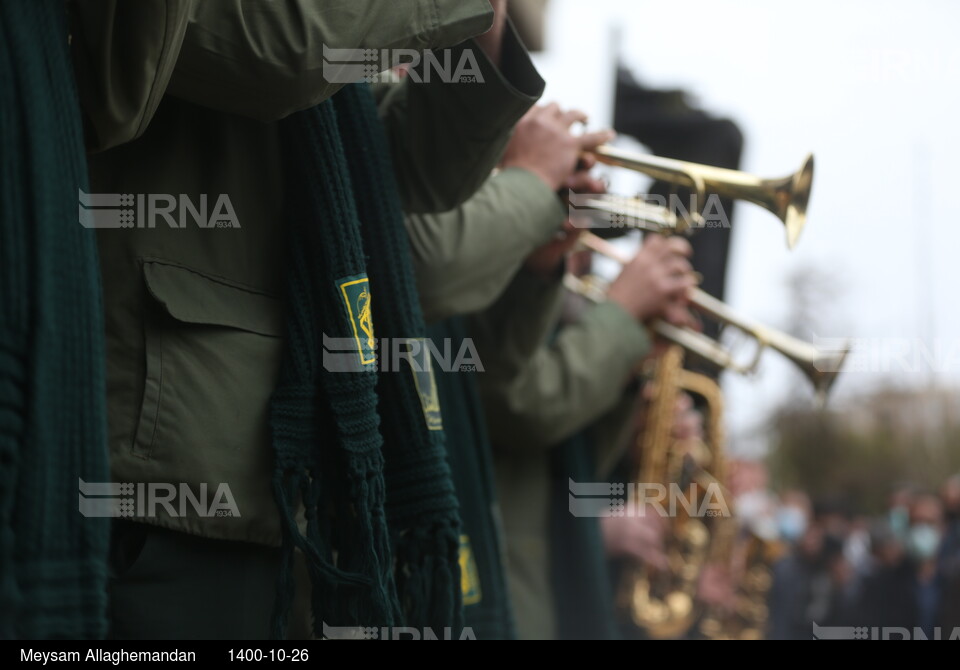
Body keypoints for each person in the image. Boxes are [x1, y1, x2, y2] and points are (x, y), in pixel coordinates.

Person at [71, 0, 546, 639]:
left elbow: (415, 164)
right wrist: (536, 189)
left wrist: (486, 23)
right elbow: (272, 44)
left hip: (270, 473)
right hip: (170, 462)